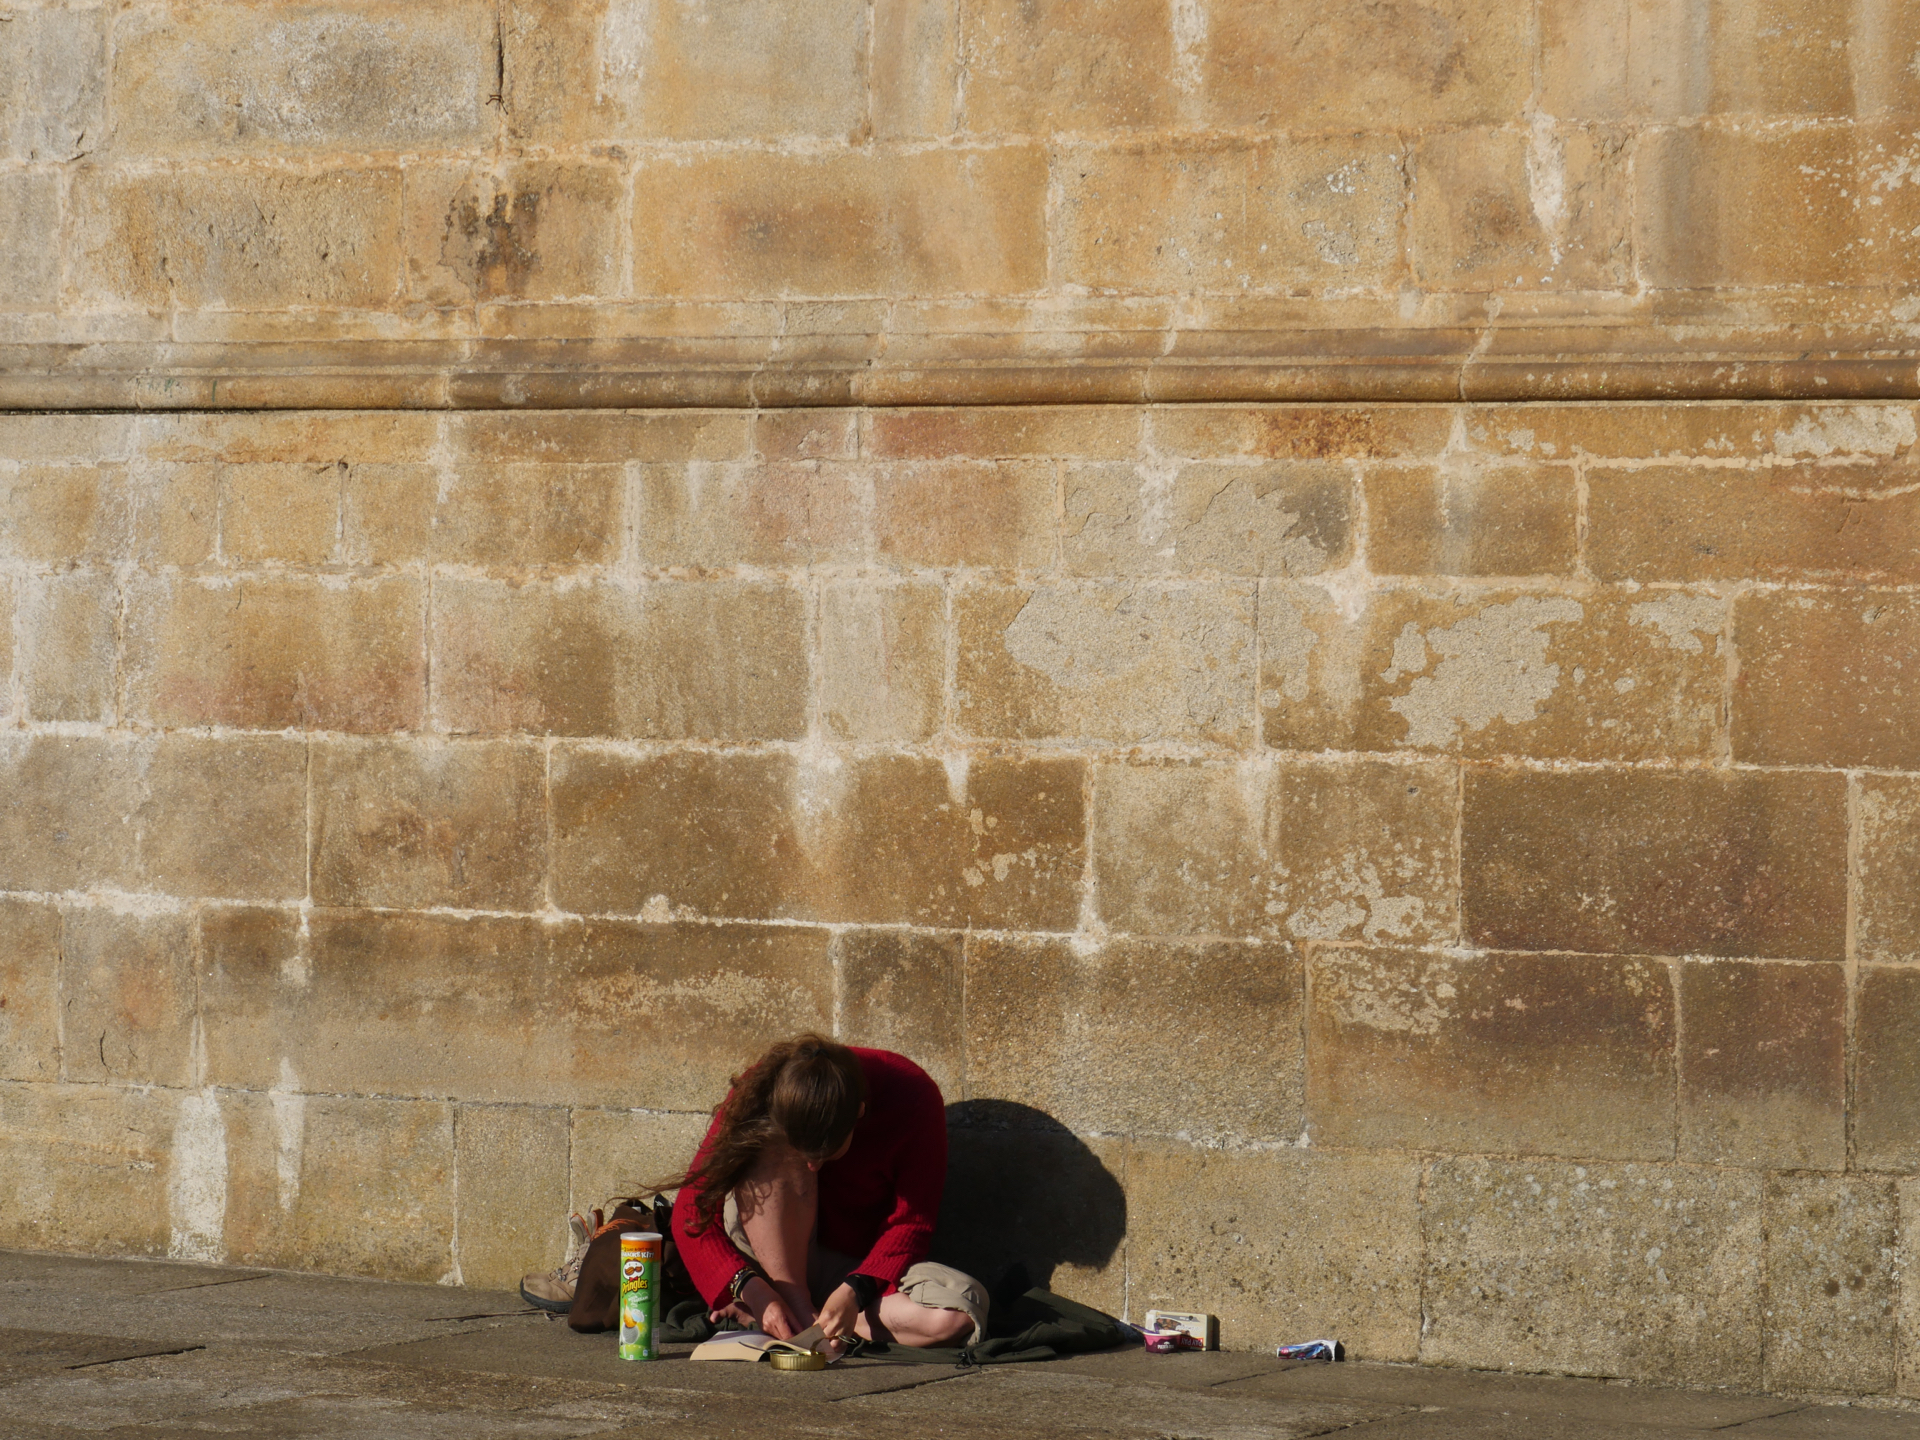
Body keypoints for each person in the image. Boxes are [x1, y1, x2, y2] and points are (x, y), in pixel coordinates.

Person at [660, 1034, 987, 1350]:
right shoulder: (765, 1086)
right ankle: (796, 1307)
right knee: (769, 1150)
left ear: (858, 1113)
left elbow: (912, 1225)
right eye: (802, 1153)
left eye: (824, 1154)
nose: (812, 1167)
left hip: (858, 1269)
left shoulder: (913, 1096)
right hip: (768, 1249)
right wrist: (749, 1287)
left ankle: (805, 1322)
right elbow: (691, 1210)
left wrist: (855, 1291)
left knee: (954, 1317)